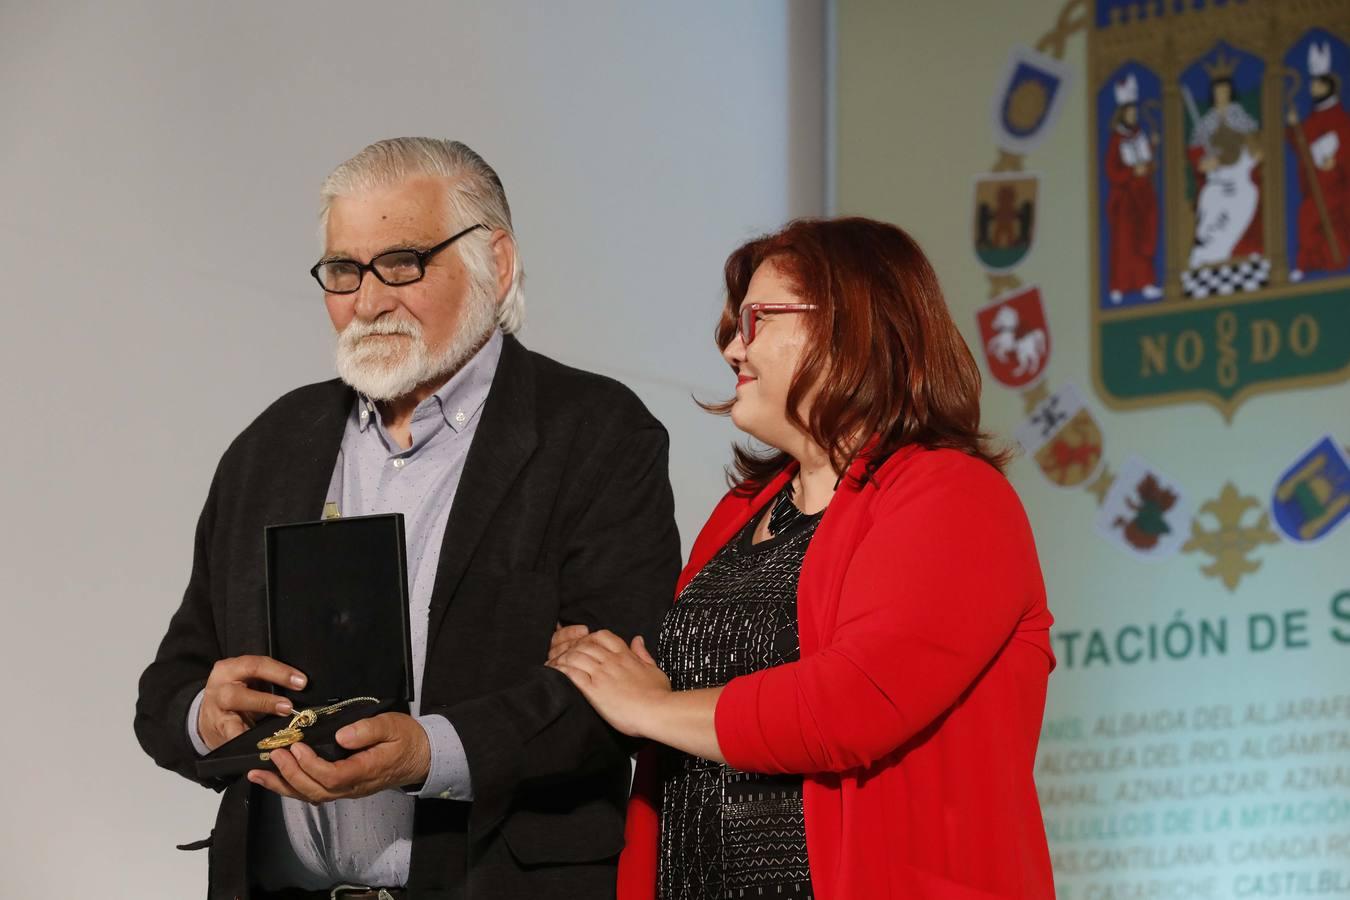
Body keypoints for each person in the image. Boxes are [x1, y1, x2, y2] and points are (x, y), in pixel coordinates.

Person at [134, 137, 681, 899]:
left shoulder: (595, 435)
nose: (368, 300)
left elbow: (622, 693)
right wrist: (206, 714)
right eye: (343, 270)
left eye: (400, 262)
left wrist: (433, 752)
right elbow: (170, 684)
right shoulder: (271, 445)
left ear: (498, 261)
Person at [549, 217, 1057, 899]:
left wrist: (644, 707)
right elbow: (674, 687)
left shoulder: (957, 496)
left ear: (851, 325)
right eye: (735, 323)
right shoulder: (742, 513)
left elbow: (851, 705)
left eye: (758, 318)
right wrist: (596, 659)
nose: (732, 346)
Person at [1286, 40, 1350, 281]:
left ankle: (1335, 260)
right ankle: (1306, 264)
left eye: (1316, 84)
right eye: (1311, 83)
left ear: (1327, 86)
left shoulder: (1340, 117)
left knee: (1326, 221)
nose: (1312, 88)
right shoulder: (1313, 117)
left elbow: (1345, 141)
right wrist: (1293, 127)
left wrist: (1336, 159)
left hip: (1334, 186)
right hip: (1316, 187)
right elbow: (1302, 141)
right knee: (1308, 218)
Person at [1105, 73, 1162, 302]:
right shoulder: (1116, 140)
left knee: (1143, 243)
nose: (1133, 115)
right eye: (1130, 112)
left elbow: (1144, 159)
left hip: (1143, 196)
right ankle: (1118, 286)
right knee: (1124, 245)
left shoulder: (1139, 134)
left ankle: (1146, 283)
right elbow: (1112, 170)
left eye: (1134, 112)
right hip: (1126, 199)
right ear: (1122, 114)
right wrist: (1131, 173)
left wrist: (1152, 148)